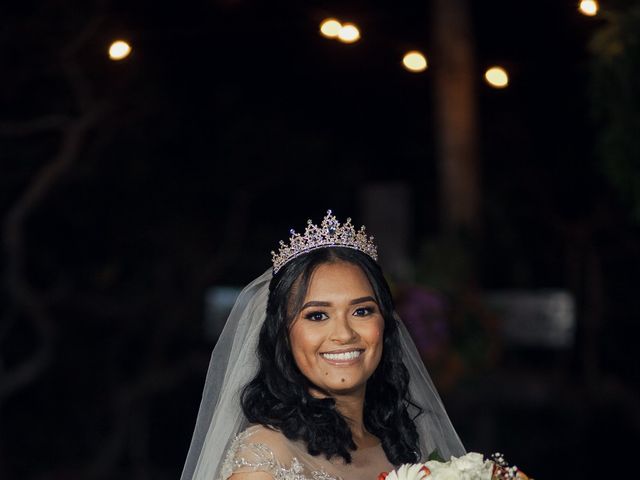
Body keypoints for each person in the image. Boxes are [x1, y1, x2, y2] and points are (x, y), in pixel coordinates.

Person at [181, 211, 465, 480]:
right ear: (283, 334)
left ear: (386, 323)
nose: (343, 334)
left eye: (362, 311)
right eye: (317, 315)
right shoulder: (265, 457)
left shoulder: (405, 446)